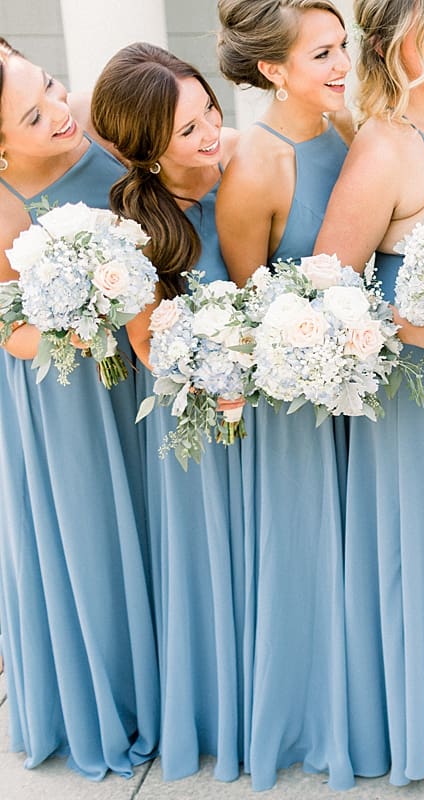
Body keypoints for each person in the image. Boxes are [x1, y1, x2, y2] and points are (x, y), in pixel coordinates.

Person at [312, 0, 424, 784]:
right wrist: (422, 334)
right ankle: (420, 725)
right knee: (417, 556)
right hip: (416, 398)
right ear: (390, 46)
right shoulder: (383, 147)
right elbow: (325, 292)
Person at [0, 36, 158, 779]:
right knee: (96, 536)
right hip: (67, 394)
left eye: (53, 86)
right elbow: (15, 336)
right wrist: (96, 311)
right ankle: (116, 700)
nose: (62, 112)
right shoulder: (3, 208)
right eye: (34, 118)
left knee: (159, 524)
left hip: (146, 362)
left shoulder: (93, 119)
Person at [91, 42, 244, 783]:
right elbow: (150, 342)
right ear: (147, 152)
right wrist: (221, 371)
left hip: (279, 398)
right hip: (202, 414)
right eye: (188, 130)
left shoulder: (250, 160)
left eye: (209, 109)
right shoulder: (138, 223)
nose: (211, 131)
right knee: (210, 567)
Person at [215, 0, 353, 788]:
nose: (340, 64)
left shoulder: (340, 128)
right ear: (272, 71)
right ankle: (308, 718)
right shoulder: (258, 167)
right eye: (321, 55)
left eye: (341, 46)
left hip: (362, 379)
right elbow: (249, 307)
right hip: (293, 400)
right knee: (310, 559)